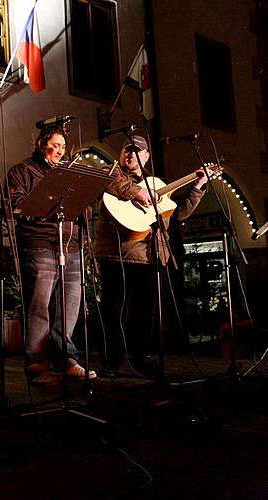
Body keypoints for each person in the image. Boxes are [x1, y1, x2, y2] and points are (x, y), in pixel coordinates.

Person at [94, 135, 209, 377]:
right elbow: (109, 179)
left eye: (137, 151)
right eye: (127, 150)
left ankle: (140, 359)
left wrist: (197, 186)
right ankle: (110, 362)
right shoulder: (111, 172)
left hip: (149, 255)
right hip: (114, 255)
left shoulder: (156, 183)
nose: (131, 155)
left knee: (144, 311)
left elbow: (177, 213)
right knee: (111, 310)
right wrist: (138, 192)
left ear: (146, 156)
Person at [6, 125, 96, 384]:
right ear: (40, 143)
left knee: (69, 307)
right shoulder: (23, 171)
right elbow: (17, 205)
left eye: (63, 147)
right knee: (40, 306)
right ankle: (37, 363)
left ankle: (64, 358)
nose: (59, 150)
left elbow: (85, 209)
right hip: (40, 243)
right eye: (55, 145)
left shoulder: (69, 173)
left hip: (70, 245)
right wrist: (47, 199)